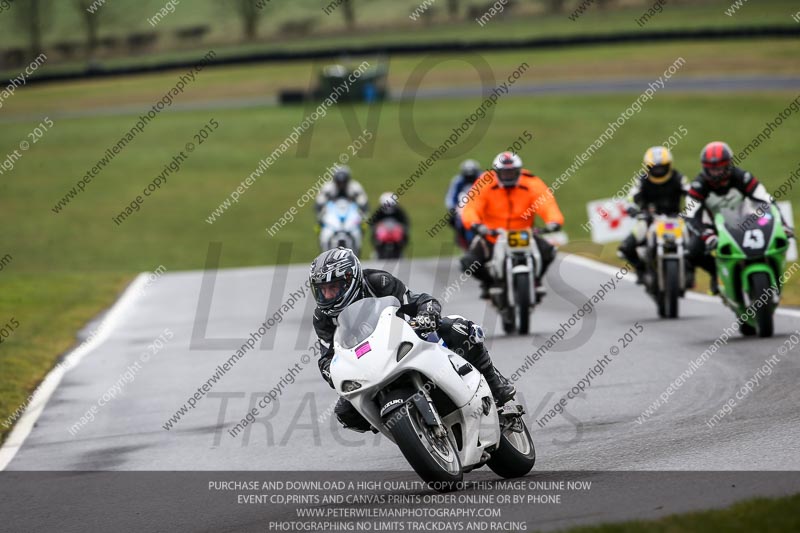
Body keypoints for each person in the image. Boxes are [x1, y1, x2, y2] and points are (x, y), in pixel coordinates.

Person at [310, 247, 516, 433]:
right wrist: (334, 373)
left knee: (459, 328)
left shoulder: (378, 281)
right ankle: (402, 427)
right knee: (345, 411)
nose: (327, 295)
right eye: (322, 290)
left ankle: (497, 387)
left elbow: (421, 300)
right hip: (367, 363)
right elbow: (327, 358)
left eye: (333, 287)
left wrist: (426, 315)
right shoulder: (322, 317)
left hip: (405, 338)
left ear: (350, 279)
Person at [686, 141, 794, 294]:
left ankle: (772, 279)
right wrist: (707, 235)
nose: (716, 173)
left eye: (720, 168)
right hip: (713, 228)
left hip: (745, 222)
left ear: (729, 165)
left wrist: (783, 225)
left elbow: (765, 199)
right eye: (712, 169)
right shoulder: (698, 186)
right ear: (705, 167)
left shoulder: (742, 177)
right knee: (692, 252)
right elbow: (690, 215)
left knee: (770, 243)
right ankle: (716, 273)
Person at [460, 152, 564, 299]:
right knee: (468, 263)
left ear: (519, 171)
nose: (508, 176)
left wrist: (554, 221)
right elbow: (471, 206)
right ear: (496, 172)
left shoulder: (531, 182)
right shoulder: (485, 183)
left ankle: (535, 280)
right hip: (492, 236)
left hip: (524, 234)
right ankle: (490, 284)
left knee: (549, 252)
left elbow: (547, 203)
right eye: (504, 172)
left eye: (512, 172)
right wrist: (476, 224)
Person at [617, 146, 688, 284]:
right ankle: (641, 270)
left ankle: (689, 272)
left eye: (662, 167)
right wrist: (632, 208)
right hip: (648, 219)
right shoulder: (641, 180)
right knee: (625, 248)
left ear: (669, 165)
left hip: (676, 219)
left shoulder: (679, 178)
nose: (658, 170)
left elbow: (692, 194)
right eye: (655, 167)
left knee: (695, 245)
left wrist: (692, 210)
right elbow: (632, 196)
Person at [445, 160, 483, 249]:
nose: (470, 178)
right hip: (462, 209)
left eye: (472, 176)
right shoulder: (457, 181)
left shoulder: (483, 179)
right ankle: (463, 241)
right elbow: (450, 198)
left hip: (481, 209)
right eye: (467, 176)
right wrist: (453, 209)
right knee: (454, 221)